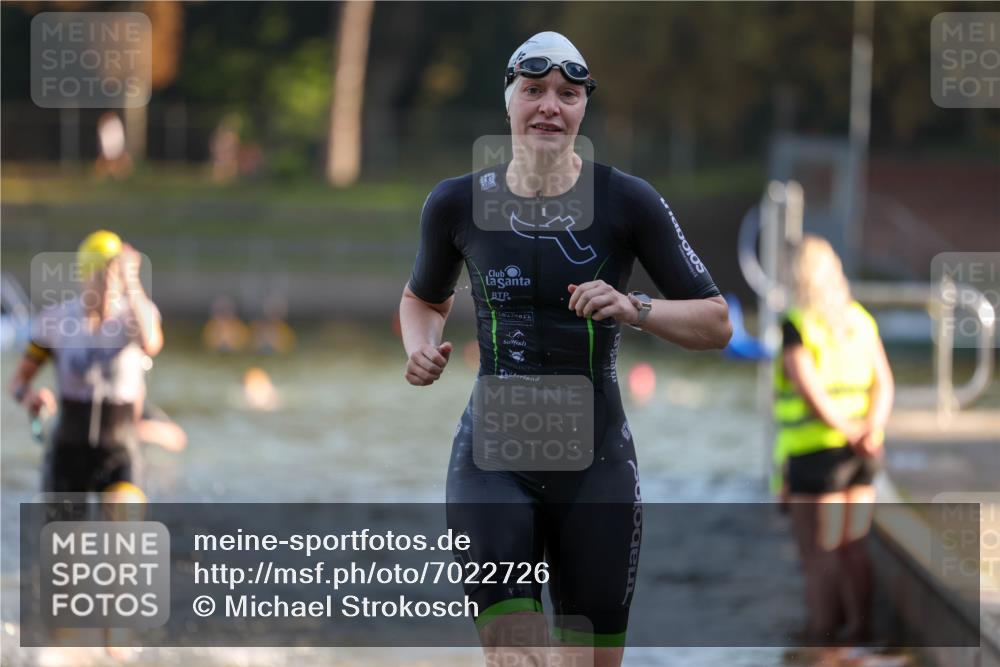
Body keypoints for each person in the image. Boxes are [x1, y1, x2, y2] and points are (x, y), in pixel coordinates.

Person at [399, 31, 732, 667]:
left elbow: (716, 323)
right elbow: (422, 299)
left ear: (583, 108)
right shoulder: (455, 203)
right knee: (517, 657)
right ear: (508, 102)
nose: (550, 106)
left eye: (567, 94)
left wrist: (634, 307)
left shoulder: (627, 201)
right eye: (534, 91)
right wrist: (421, 346)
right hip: (492, 462)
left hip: (597, 467)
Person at [772, 235, 894, 643]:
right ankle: (860, 632)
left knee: (818, 554)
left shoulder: (797, 323)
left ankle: (820, 639)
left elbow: (810, 391)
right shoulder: (860, 319)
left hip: (816, 456)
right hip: (863, 454)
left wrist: (848, 430)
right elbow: (884, 382)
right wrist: (870, 430)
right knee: (853, 547)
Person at [8, 230, 163, 505]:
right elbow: (17, 382)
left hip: (119, 452)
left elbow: (151, 343)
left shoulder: (136, 316)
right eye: (100, 276)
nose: (108, 284)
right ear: (84, 276)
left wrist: (132, 281)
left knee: (123, 517)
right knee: (63, 531)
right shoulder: (55, 322)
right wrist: (29, 397)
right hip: (68, 453)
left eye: (114, 276)